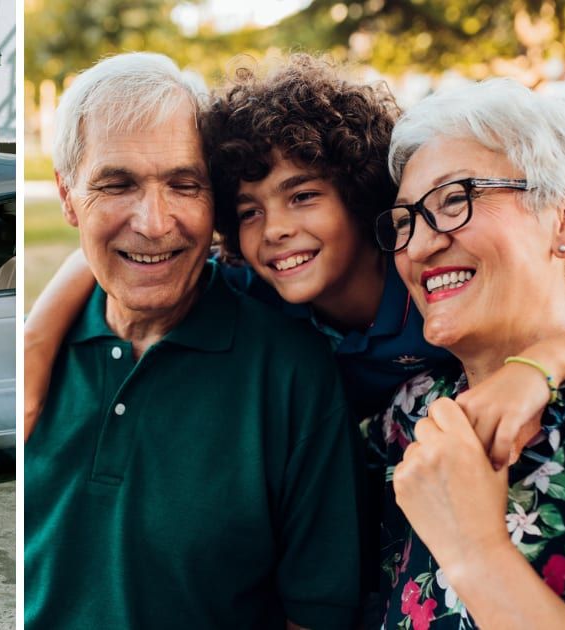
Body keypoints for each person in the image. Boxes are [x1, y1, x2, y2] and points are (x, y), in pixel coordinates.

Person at [24, 54, 565, 471]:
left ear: (359, 193)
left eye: (303, 196)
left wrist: (541, 363)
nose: (276, 229)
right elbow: (130, 257)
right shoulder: (255, 283)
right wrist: (37, 340)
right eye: (249, 211)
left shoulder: (427, 277)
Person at [24, 52, 361, 629]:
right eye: (117, 184)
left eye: (184, 184)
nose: (154, 223)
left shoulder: (292, 375)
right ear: (67, 196)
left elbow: (316, 615)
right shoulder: (31, 360)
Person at [369, 78, 565, 628]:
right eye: (405, 222)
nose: (421, 246)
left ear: (564, 218)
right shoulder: (404, 414)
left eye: (455, 199)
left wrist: (475, 551)